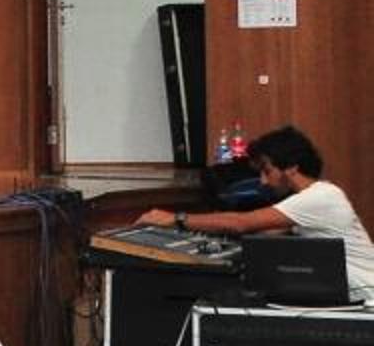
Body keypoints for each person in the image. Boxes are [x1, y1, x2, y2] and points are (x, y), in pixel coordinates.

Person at [139, 124, 374, 306]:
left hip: (367, 300)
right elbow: (265, 234)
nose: (263, 181)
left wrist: (177, 219)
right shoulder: (311, 199)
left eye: (267, 171)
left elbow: (241, 224)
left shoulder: (320, 197)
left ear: (292, 168)